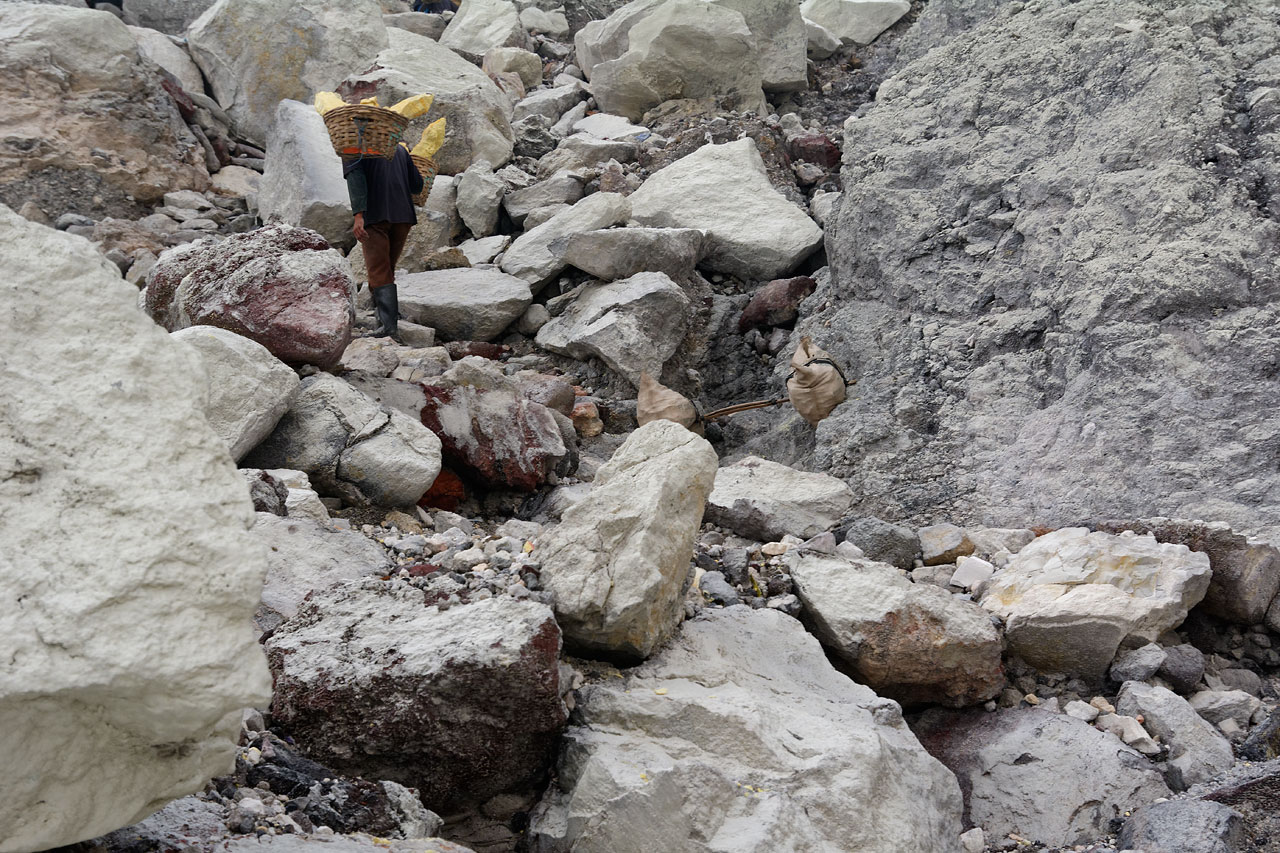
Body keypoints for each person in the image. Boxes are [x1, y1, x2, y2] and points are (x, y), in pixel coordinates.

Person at [344, 145, 424, 340]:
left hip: (376, 216)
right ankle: (385, 318)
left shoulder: (352, 146)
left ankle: (389, 327)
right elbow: (417, 185)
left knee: (378, 270)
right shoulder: (400, 149)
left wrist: (358, 216)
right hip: (403, 216)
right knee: (387, 269)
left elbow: (356, 179)